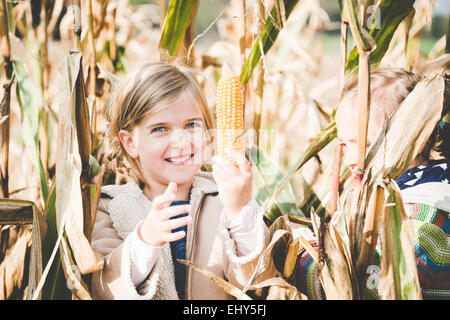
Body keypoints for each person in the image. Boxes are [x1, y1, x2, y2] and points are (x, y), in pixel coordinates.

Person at [90, 62, 271, 300]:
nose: (181, 141)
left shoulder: (224, 200)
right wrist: (146, 240)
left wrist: (239, 211)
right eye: (160, 129)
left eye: (191, 125)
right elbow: (103, 288)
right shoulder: (108, 206)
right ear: (130, 142)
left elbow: (256, 280)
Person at [295, 68, 450, 299]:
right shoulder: (395, 195)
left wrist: (290, 247)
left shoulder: (424, 224)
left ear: (412, 140)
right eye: (345, 145)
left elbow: (353, 288)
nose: (350, 161)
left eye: (364, 146)